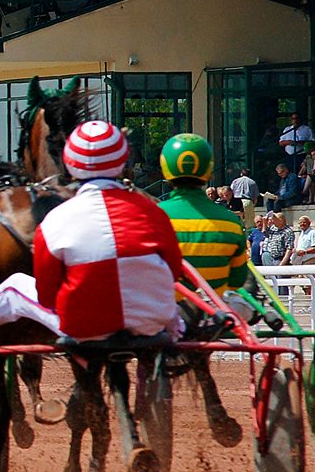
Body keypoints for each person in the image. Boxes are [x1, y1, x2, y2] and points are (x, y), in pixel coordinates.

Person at [32, 121, 185, 341]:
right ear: (122, 161)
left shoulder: (53, 221)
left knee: (13, 288)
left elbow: (46, 296)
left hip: (84, 328)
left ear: (70, 163)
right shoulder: (154, 212)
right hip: (152, 323)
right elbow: (173, 270)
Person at [157, 133, 248, 298]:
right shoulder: (231, 222)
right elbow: (237, 281)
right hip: (213, 317)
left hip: (164, 318)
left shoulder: (151, 218)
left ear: (165, 171)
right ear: (209, 172)